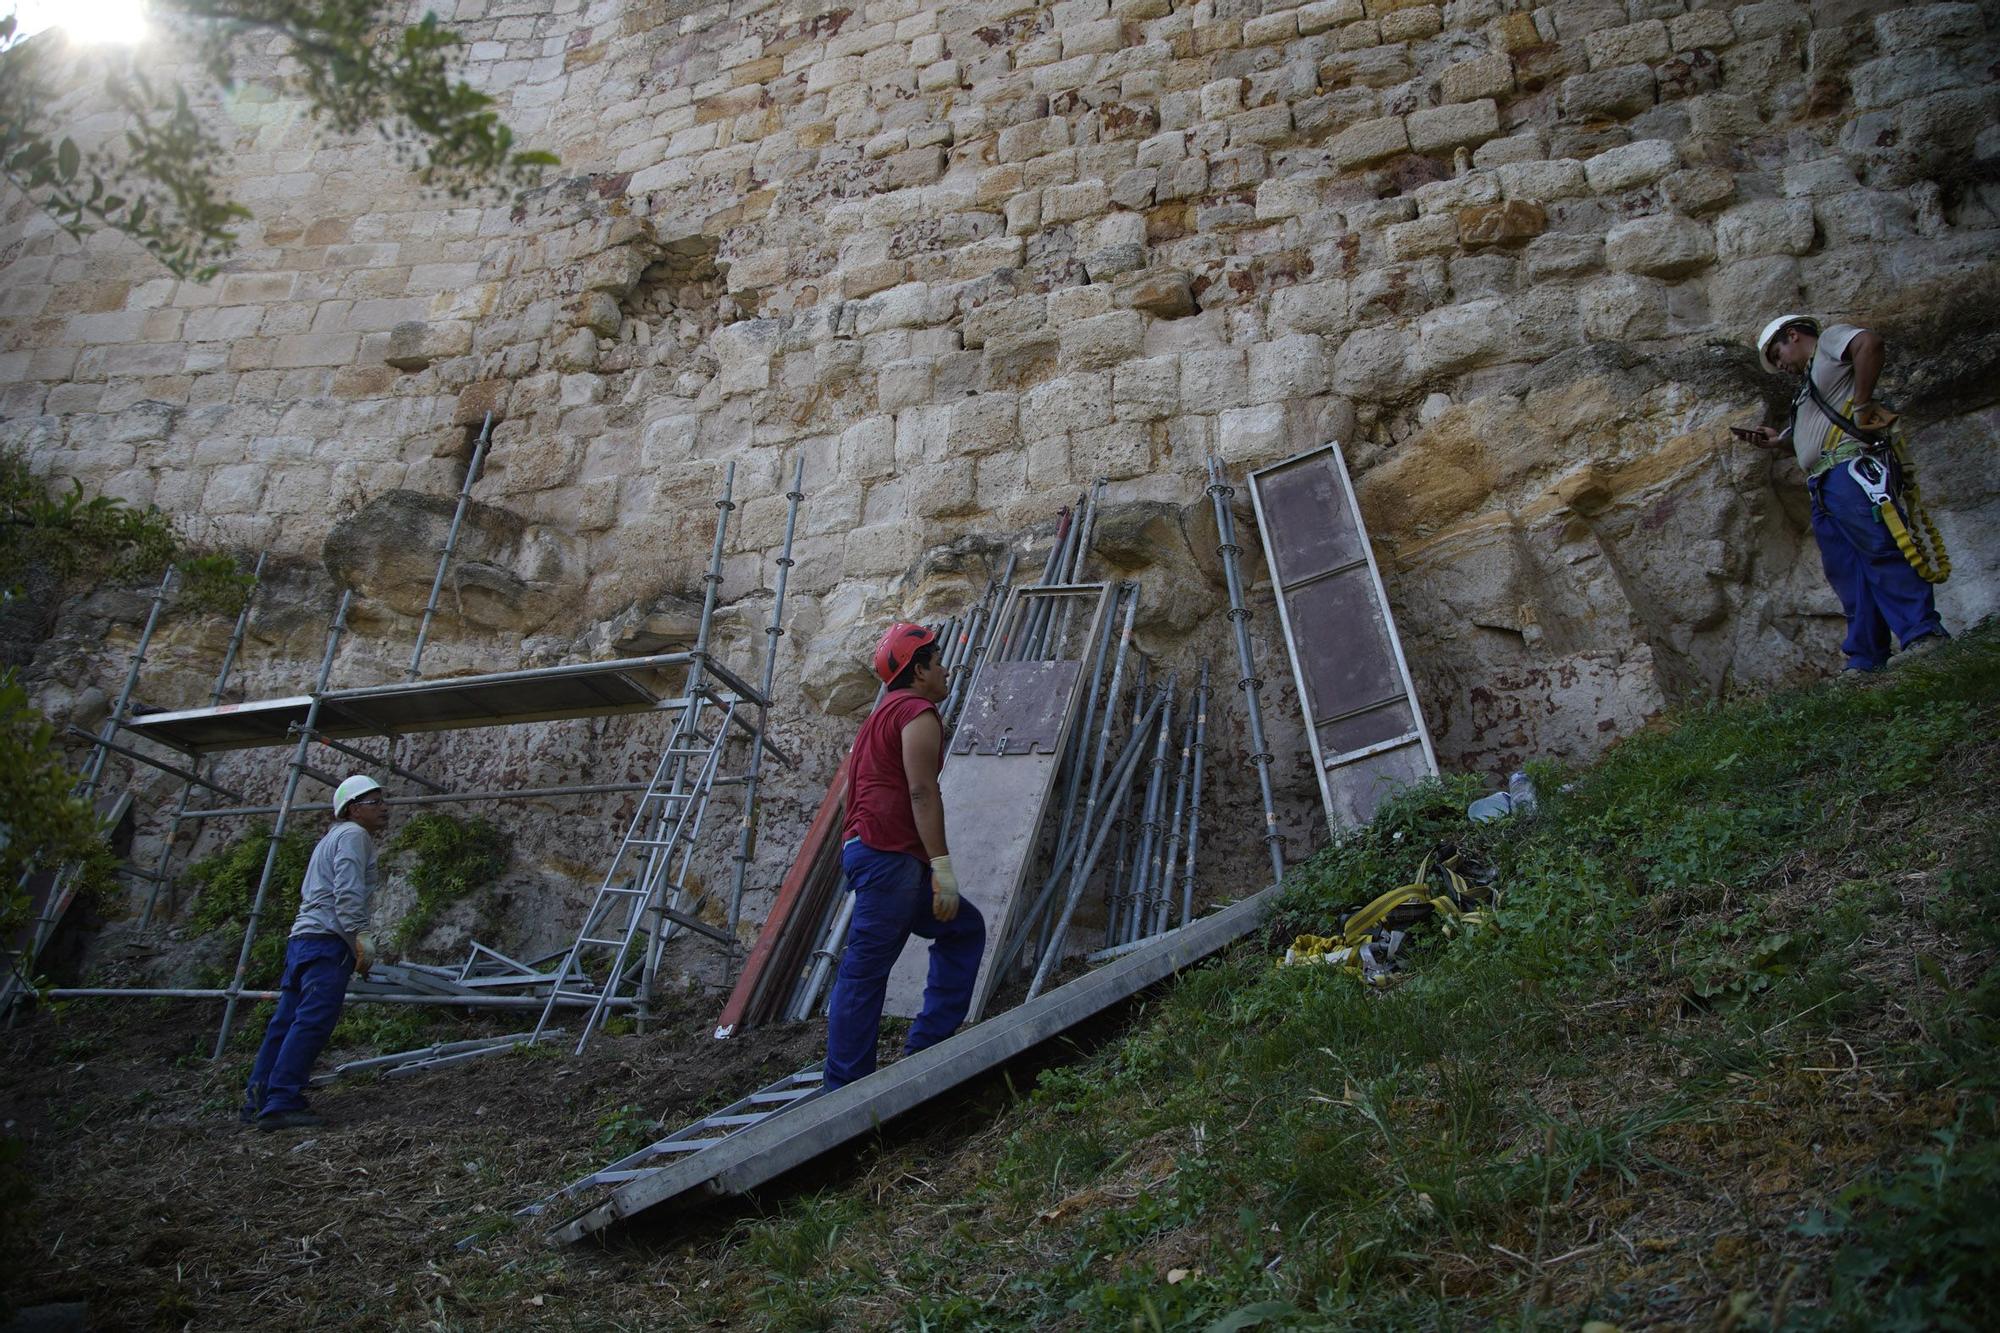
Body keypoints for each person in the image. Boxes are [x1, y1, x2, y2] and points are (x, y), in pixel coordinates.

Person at [822, 622, 986, 1092]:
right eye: (937, 661)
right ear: (918, 670)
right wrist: (942, 868)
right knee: (865, 970)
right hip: (889, 859)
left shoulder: (881, 717)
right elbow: (921, 792)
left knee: (963, 929)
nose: (945, 669)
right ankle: (844, 1093)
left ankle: (926, 1046)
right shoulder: (916, 712)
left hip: (880, 856)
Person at [1742, 313, 1949, 673]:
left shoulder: (1829, 343)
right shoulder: (1810, 386)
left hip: (1850, 473)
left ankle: (1923, 634)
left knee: (1880, 549)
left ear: (1792, 335)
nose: (1781, 366)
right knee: (1848, 572)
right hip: (1824, 483)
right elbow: (1815, 436)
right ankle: (1866, 657)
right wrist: (1778, 442)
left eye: (1778, 356)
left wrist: (1864, 404)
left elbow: (1869, 343)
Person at [240, 773, 389, 1130]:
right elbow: (347, 888)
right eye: (376, 803)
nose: (385, 808)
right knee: (312, 1022)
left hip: (302, 940)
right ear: (353, 809)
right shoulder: (354, 835)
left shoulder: (331, 838)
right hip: (326, 941)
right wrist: (359, 935)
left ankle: (259, 1097)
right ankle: (282, 1101)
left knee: (286, 1020)